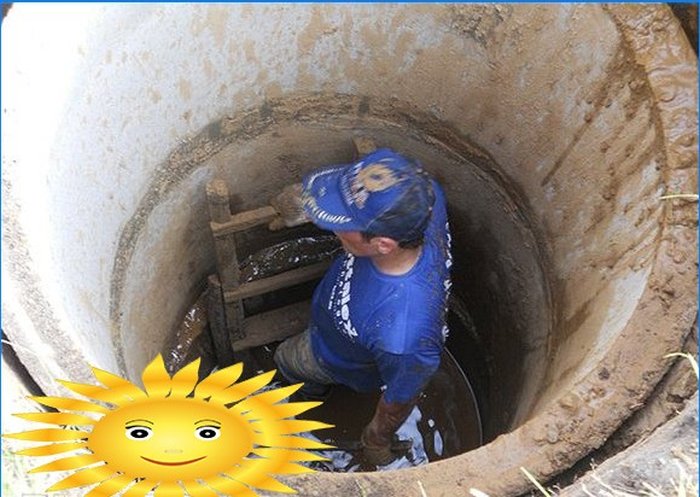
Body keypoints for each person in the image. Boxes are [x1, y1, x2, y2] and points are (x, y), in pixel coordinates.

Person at [270, 148, 452, 466]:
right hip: (343, 327)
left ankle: (309, 395)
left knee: (286, 360)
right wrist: (310, 205)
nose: (332, 226)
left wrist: (376, 439)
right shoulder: (424, 197)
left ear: (383, 244)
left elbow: (400, 397)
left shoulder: (402, 336)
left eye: (343, 222)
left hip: (334, 358)